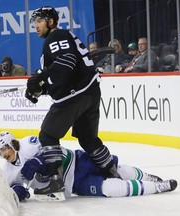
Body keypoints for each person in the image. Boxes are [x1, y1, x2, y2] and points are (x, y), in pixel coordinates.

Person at [25, 6, 120, 200]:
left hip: (76, 93)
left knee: (48, 135)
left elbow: (67, 63)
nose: (36, 26)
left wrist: (42, 75)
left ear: (51, 21)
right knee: (87, 138)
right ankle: (112, 172)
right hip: (89, 92)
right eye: (35, 22)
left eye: (40, 21)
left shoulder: (56, 36)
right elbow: (63, 73)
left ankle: (55, 181)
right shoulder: (62, 38)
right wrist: (40, 88)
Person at [0, 132, 178, 202]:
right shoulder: (9, 172)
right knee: (109, 189)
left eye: (4, 149)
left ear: (12, 144)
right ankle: (156, 188)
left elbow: (55, 149)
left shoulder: (29, 144)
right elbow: (10, 190)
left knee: (117, 170)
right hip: (73, 185)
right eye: (0, 153)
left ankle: (147, 176)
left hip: (77, 161)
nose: (3, 154)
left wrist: (39, 161)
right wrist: (17, 192)